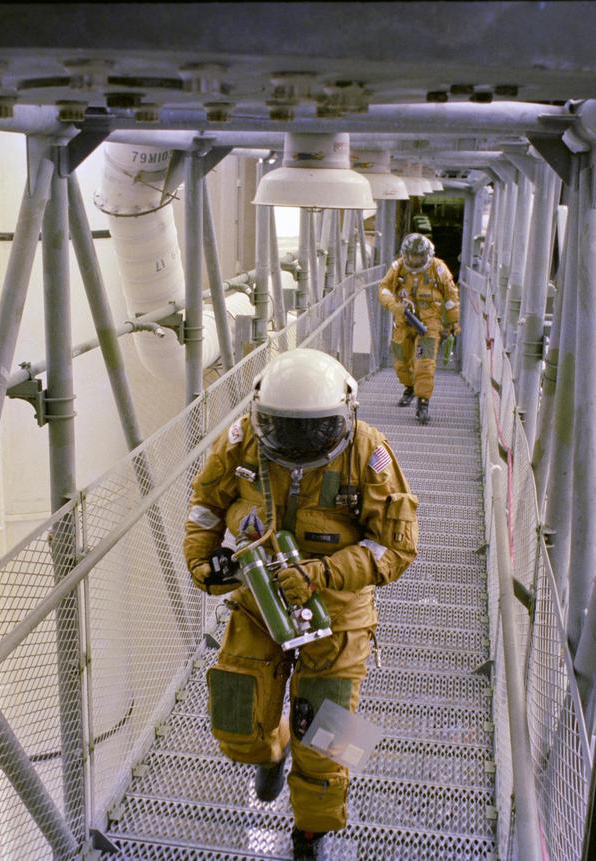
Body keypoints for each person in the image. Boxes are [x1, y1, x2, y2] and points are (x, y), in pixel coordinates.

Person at [183, 348, 419, 861]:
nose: (296, 443)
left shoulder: (368, 452)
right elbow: (205, 505)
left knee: (330, 745)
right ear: (260, 414)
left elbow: (395, 547)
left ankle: (313, 832)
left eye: (312, 431)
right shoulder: (241, 443)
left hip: (339, 615)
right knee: (236, 726)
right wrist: (203, 560)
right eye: (284, 429)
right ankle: (274, 748)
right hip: (258, 604)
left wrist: (322, 573)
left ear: (344, 415)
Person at [377, 233, 461, 424]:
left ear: (427, 255)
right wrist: (393, 305)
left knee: (424, 363)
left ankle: (423, 403)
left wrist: (453, 322)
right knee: (400, 361)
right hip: (403, 322)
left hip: (428, 325)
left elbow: (451, 298)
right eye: (412, 257)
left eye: (419, 257)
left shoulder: (438, 269)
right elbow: (383, 288)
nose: (415, 261)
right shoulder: (398, 268)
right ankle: (409, 388)